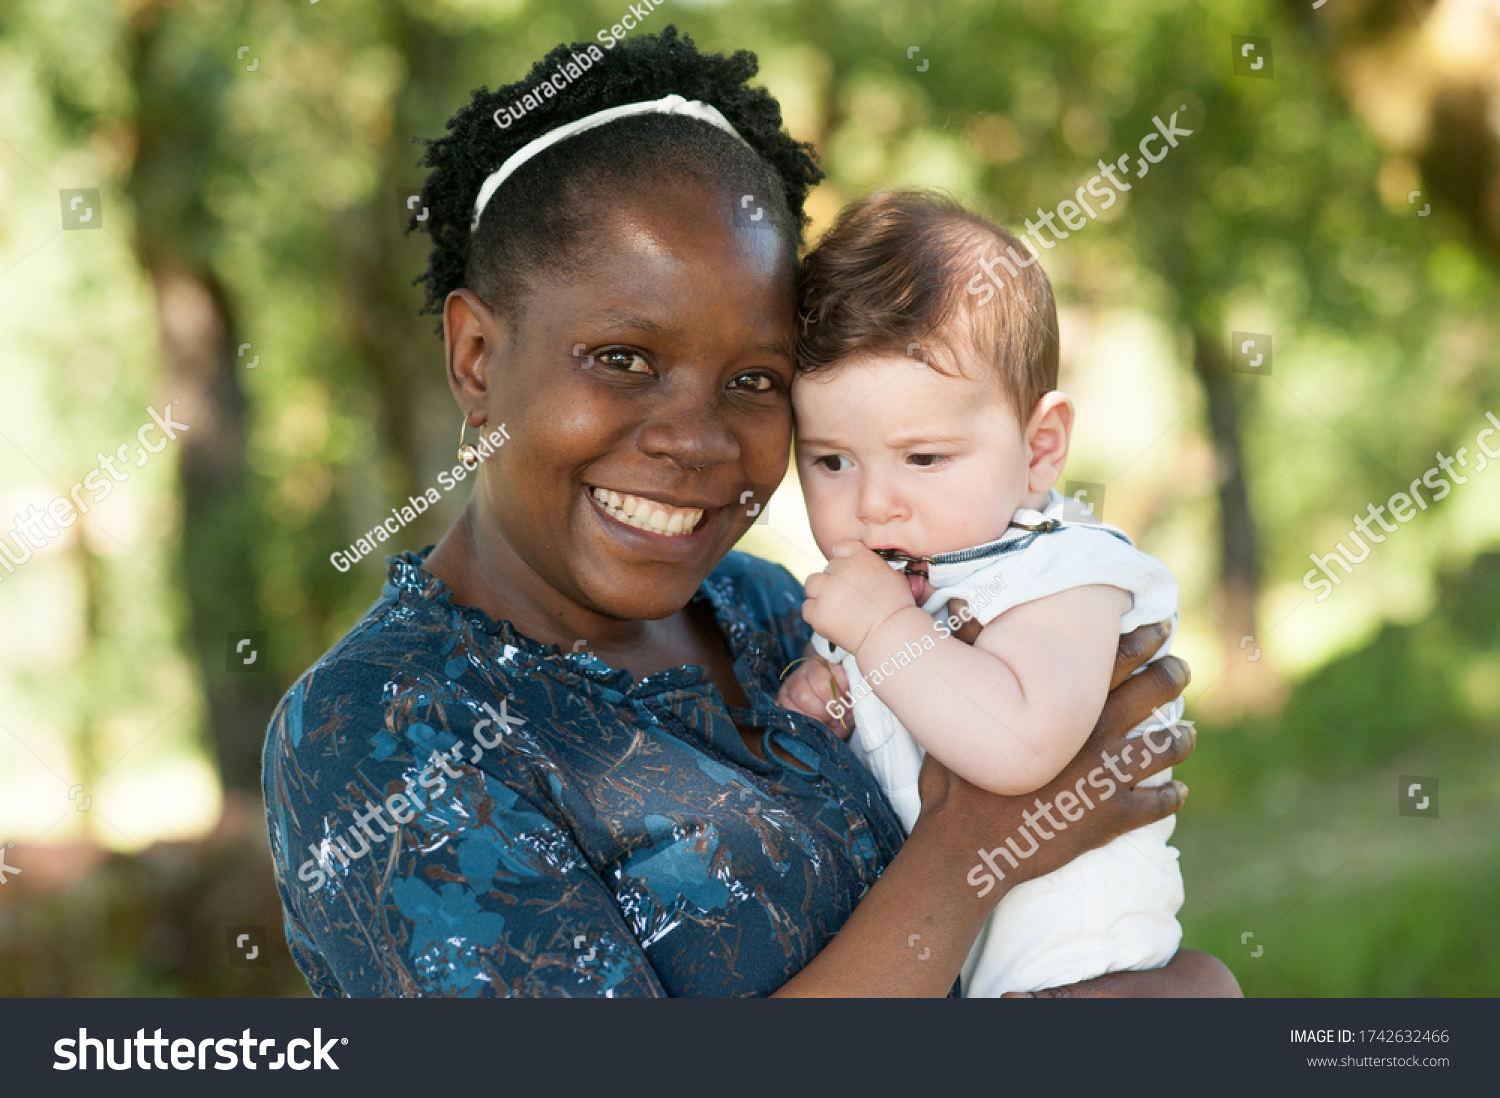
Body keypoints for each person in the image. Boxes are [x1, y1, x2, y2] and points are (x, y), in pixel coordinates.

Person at [260, 27, 1237, 997]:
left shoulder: (770, 611)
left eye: (756, 379)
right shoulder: (385, 732)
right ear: (476, 358)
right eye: (624, 359)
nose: (697, 441)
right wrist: (974, 849)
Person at [776, 190, 1185, 997]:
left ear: (1040, 449)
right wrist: (822, 701)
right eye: (831, 461)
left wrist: (882, 633)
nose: (872, 504)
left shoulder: (1067, 574)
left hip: (1088, 983)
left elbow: (1018, 746)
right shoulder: (892, 587)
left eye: (923, 458)